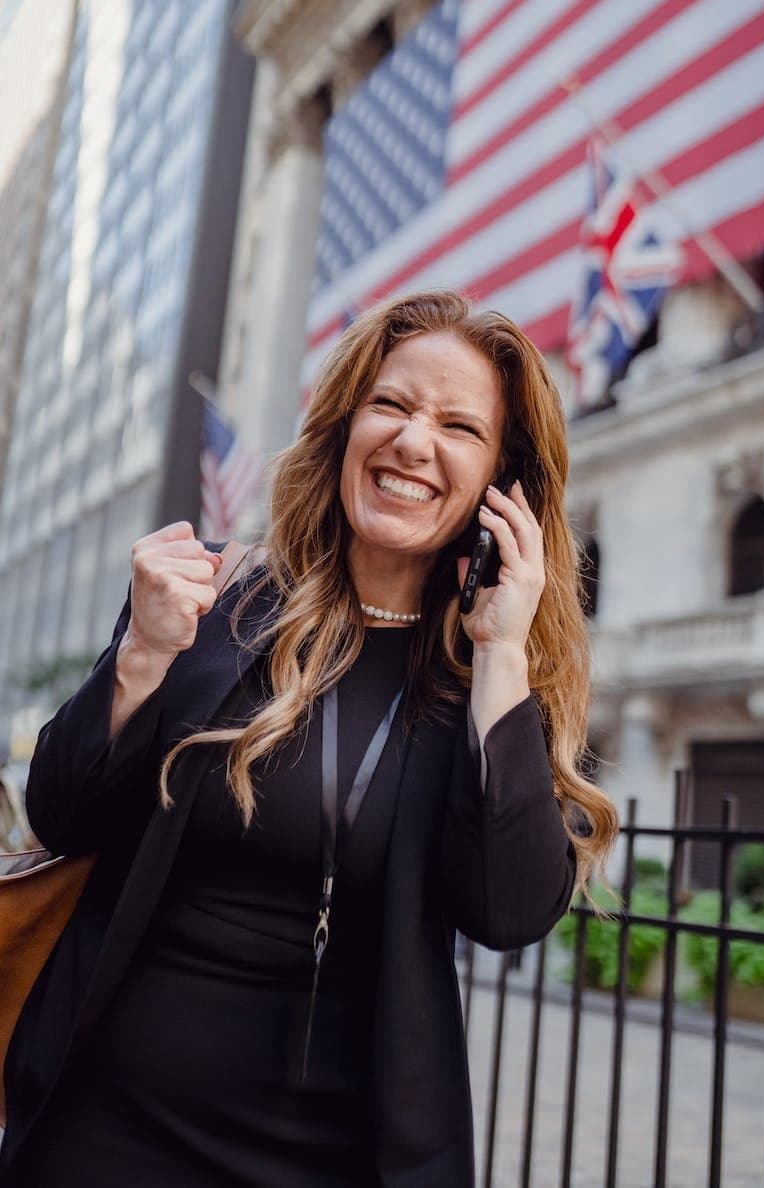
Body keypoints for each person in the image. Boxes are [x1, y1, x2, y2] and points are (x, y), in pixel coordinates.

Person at [1, 290, 618, 1187]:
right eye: (392, 405)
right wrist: (140, 653)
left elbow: (508, 912)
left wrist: (498, 654)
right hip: (106, 1127)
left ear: (502, 485)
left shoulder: (495, 675)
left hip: (342, 1151)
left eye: (457, 426)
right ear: (344, 425)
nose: (413, 442)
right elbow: (61, 810)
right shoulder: (216, 602)